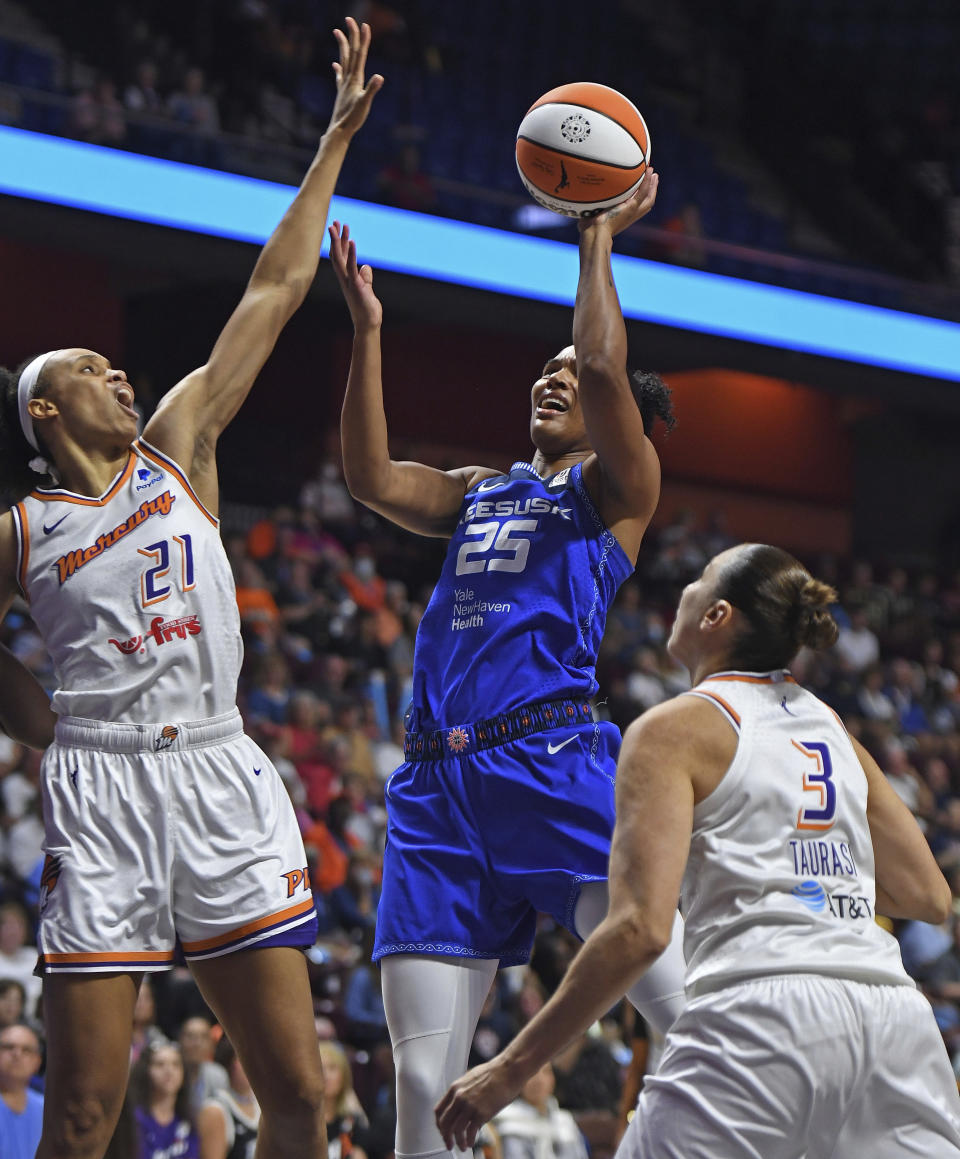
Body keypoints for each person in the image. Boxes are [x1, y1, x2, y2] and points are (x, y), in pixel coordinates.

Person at [0, 18, 382, 1159]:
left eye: (113, 365)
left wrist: (330, 143)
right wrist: (45, 727)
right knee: (82, 1112)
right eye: (88, 371)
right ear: (44, 413)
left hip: (217, 765)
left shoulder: (177, 444)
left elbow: (272, 290)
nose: (116, 372)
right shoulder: (21, 529)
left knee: (303, 1093)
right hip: (101, 784)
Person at [329, 168, 687, 1159]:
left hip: (552, 767)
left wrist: (597, 236)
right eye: (546, 367)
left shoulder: (618, 492)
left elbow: (613, 373)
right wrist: (367, 331)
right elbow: (369, 477)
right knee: (420, 1096)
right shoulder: (481, 489)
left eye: (571, 372)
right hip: (437, 789)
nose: (556, 376)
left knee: (687, 1012)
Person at [436, 544, 960, 1159]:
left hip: (760, 1015)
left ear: (716, 616)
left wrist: (509, 1069)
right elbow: (929, 897)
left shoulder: (671, 729)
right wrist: (804, 871)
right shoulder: (835, 730)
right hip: (894, 1022)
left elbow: (638, 931)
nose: (684, 590)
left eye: (699, 579)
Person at [493, 1063, 586, 1159]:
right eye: (531, 1074)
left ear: (553, 1079)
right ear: (518, 1081)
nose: (538, 1080)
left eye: (545, 1072)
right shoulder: (508, 1122)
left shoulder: (565, 1121)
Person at [129, 1040, 199, 1159]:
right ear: (145, 1070)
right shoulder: (134, 1119)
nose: (169, 1071)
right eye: (160, 1064)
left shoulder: (190, 1121)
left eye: (176, 1064)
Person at [196, 1036, 260, 1159]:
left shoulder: (263, 1104)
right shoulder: (215, 1110)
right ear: (228, 1064)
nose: (255, 1064)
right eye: (245, 1059)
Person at [0, 1022, 44, 1159]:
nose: (16, 1054)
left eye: (26, 1050)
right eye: (8, 1047)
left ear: (37, 1062)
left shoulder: (47, 1109)